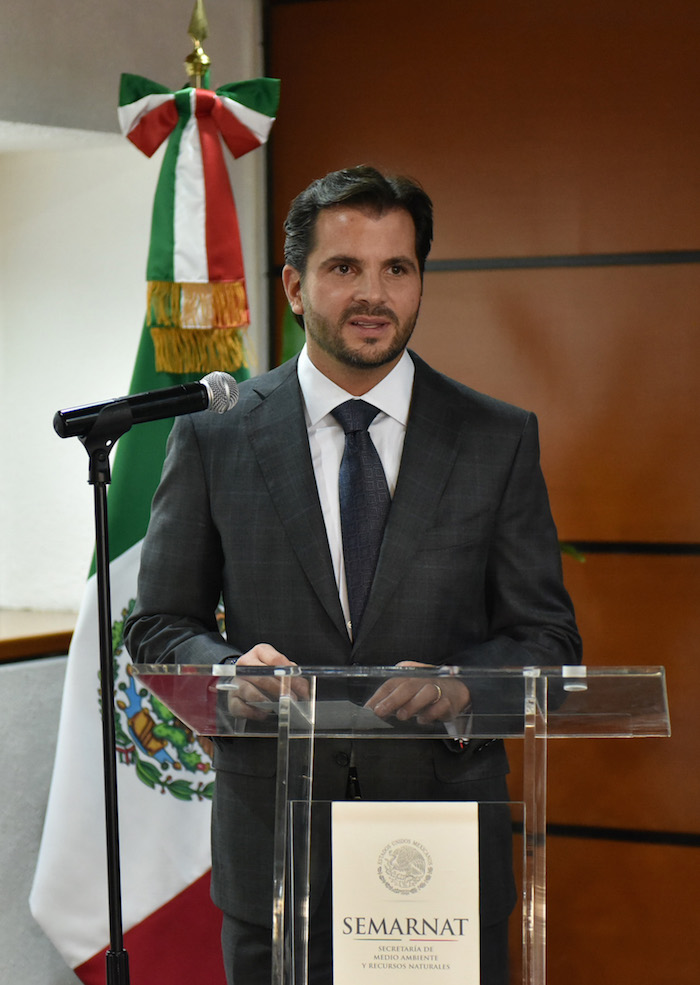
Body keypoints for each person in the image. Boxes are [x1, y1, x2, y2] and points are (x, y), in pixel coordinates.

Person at [124, 165, 581, 984]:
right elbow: (157, 626)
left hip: (440, 859)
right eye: (345, 268)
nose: (374, 293)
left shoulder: (497, 438)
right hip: (275, 857)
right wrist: (228, 670)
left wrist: (460, 684)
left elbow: (549, 640)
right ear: (296, 286)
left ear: (419, 283)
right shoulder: (214, 437)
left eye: (396, 269)